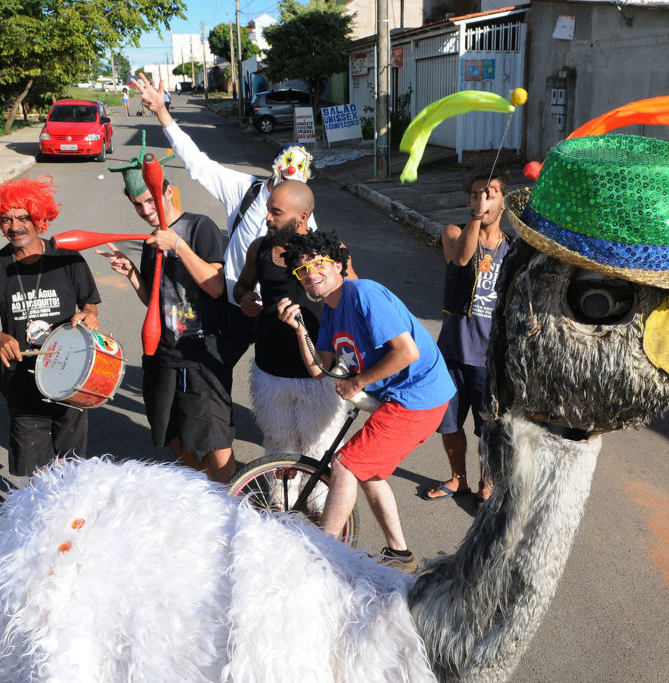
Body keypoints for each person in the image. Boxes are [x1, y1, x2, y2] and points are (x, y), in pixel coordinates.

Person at [277, 231, 455, 573]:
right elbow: (322, 372)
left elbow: (407, 352)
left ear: (337, 264)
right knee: (366, 468)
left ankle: (319, 556)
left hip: (420, 396)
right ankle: (399, 554)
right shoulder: (330, 311)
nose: (311, 273)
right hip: (398, 397)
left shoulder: (364, 295)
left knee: (346, 463)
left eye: (318, 264)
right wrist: (300, 330)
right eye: (303, 271)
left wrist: (358, 381)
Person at [131, 72, 317, 366]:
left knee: (280, 375)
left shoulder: (303, 215)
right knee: (216, 375)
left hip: (277, 311)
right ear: (275, 172)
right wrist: (162, 112)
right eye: (286, 183)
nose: (291, 192)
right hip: (234, 304)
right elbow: (197, 163)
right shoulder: (242, 189)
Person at [97, 143, 236, 483]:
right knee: (174, 438)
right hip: (162, 355)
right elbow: (156, 302)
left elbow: (216, 287)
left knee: (215, 442)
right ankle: (200, 495)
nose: (145, 210)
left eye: (150, 200)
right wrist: (131, 273)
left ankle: (229, 508)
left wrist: (177, 245)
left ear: (168, 191)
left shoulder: (199, 228)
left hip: (201, 355)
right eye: (137, 204)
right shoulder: (150, 239)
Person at [0, 177, 101, 477]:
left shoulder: (68, 259)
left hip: (69, 371)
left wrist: (90, 315)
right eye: (6, 220)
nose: (15, 227)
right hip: (20, 378)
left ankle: (72, 517)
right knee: (37, 470)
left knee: (72, 465)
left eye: (23, 217)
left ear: (39, 218)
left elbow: (90, 304)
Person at [234, 180, 350, 458]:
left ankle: (321, 502)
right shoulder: (259, 249)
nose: (267, 218)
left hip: (320, 374)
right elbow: (241, 286)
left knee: (319, 450)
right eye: (268, 210)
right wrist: (244, 298)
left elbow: (356, 300)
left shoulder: (332, 251)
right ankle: (280, 501)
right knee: (278, 446)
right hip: (270, 373)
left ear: (301, 218)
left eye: (276, 212)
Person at [423, 175, 511, 508]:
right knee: (449, 421)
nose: (482, 200)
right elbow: (461, 260)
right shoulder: (454, 233)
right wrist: (476, 217)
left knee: (488, 426)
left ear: (503, 201)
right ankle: (457, 477)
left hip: (489, 357)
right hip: (452, 351)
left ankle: (486, 481)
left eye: (489, 194)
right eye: (475, 195)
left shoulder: (512, 250)